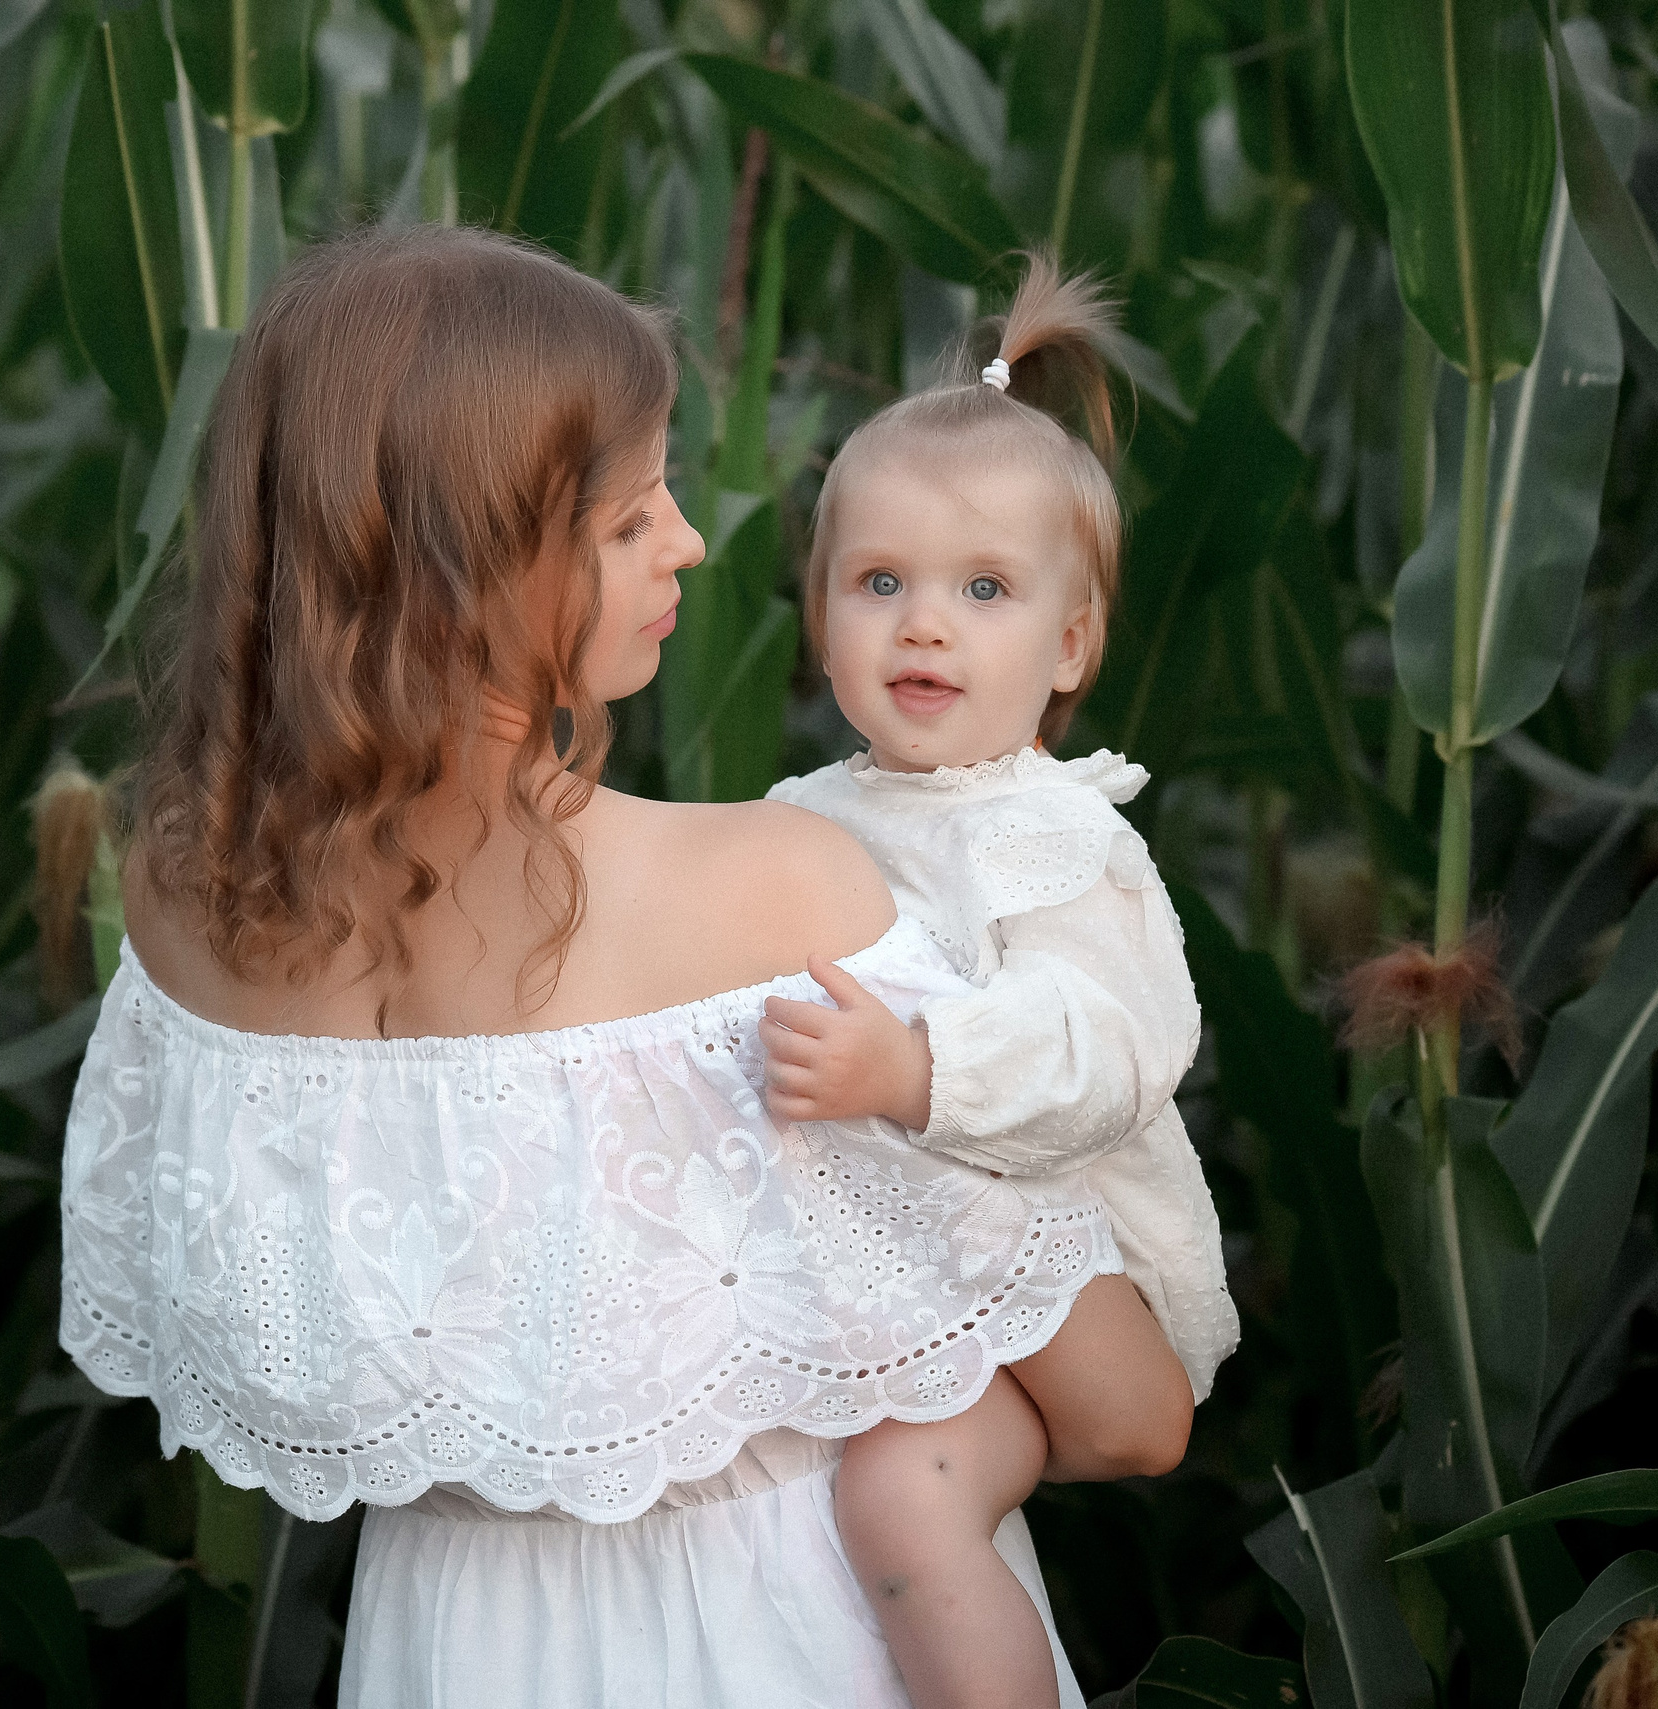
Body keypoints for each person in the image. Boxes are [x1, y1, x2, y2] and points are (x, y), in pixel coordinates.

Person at [58, 225, 1183, 1708]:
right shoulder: (774, 892)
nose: (693, 541)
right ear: (469, 560)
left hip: (448, 1650)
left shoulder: (178, 904)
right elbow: (1130, 1412)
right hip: (775, 1640)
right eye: (630, 514)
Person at [759, 254, 1236, 1708]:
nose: (924, 623)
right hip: (907, 1271)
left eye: (983, 588)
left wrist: (915, 1069)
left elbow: (1107, 1052)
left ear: (1072, 644)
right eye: (880, 582)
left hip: (1087, 1273)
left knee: (903, 1504)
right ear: (820, 613)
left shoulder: (1056, 834)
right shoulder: (796, 819)